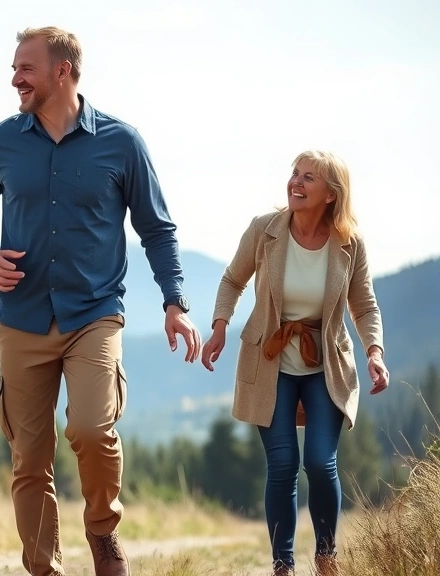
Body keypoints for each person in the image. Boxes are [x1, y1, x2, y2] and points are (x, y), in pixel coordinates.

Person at [0, 26, 201, 576]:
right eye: (14, 69)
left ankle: (102, 532)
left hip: (94, 313)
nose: (15, 79)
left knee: (92, 428)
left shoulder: (121, 142)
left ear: (61, 71)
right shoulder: (0, 141)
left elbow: (157, 229)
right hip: (21, 318)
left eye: (26, 68)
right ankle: (44, 567)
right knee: (29, 457)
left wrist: (175, 302)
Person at [201, 150, 389, 576]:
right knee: (283, 465)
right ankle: (282, 564)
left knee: (320, 463)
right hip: (270, 361)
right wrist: (220, 326)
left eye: (308, 177)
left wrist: (374, 352)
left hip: (326, 365)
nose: (296, 182)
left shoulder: (349, 244)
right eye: (294, 174)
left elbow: (364, 306)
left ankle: (326, 556)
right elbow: (232, 279)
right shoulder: (264, 230)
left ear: (331, 194)